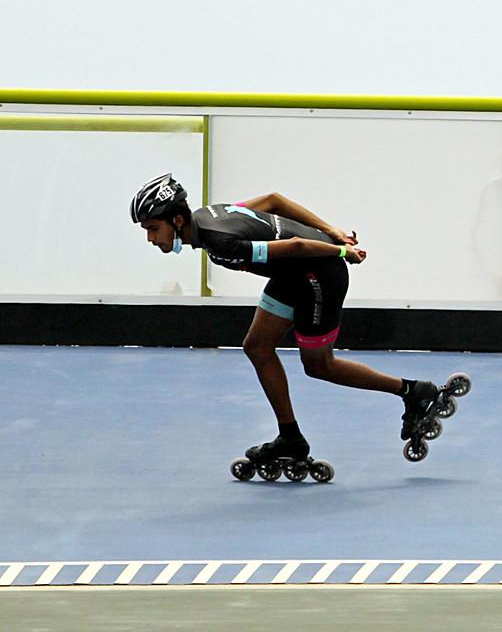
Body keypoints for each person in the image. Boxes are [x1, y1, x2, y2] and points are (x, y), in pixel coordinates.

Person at [129, 173, 465, 478]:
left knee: (319, 365)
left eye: (153, 228)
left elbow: (297, 246)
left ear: (176, 220)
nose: (150, 238)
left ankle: (414, 391)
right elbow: (274, 200)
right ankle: (290, 437)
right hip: (292, 272)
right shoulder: (208, 215)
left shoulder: (219, 241)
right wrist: (332, 230)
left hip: (319, 272)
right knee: (257, 347)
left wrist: (340, 251)